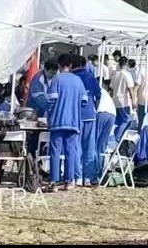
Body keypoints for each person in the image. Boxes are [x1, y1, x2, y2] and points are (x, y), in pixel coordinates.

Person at [46, 54, 87, 191]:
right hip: (74, 122)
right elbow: (84, 101)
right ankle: (69, 181)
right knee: (71, 152)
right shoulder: (78, 80)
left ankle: (54, 181)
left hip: (57, 121)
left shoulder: (56, 79)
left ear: (59, 65)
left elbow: (51, 100)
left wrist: (49, 114)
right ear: (70, 65)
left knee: (55, 152)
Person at [72, 55, 103, 184]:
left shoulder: (72, 78)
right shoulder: (90, 77)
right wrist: (94, 107)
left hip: (76, 115)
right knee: (90, 147)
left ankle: (77, 176)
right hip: (90, 115)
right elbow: (99, 95)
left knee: (76, 147)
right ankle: (89, 177)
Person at [109, 56, 136, 142]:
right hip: (124, 101)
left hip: (115, 100)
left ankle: (114, 137)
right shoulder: (127, 74)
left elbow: (111, 88)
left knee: (118, 121)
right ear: (127, 63)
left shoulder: (115, 74)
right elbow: (130, 89)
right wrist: (134, 101)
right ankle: (118, 136)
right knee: (127, 120)